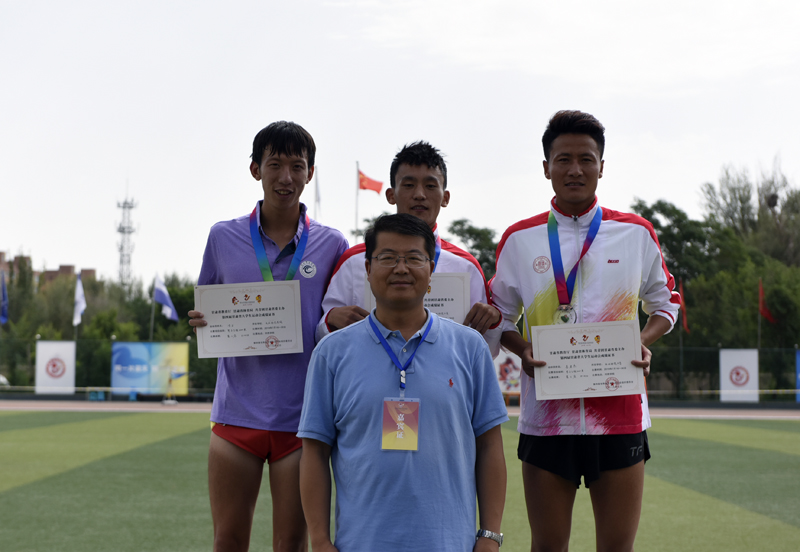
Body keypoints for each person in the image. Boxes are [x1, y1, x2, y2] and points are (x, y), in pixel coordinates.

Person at [491, 110, 680, 552]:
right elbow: (499, 316)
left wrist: (640, 341)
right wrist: (522, 349)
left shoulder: (635, 232)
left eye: (586, 159)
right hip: (546, 418)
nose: (575, 169)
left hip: (620, 414)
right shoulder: (519, 238)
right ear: (546, 168)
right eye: (563, 159)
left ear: (601, 166)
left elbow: (667, 302)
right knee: (547, 546)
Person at [298, 214, 508, 552]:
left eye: (413, 258)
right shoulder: (332, 352)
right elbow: (314, 451)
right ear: (368, 269)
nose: (400, 268)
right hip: (360, 544)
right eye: (387, 258)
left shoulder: (470, 347)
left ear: (431, 269)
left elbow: (489, 446)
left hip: (449, 544)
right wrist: (320, 541)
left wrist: (490, 535)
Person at [188, 121, 349, 552]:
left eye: (297, 166)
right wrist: (202, 320)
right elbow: (208, 304)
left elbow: (335, 318)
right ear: (255, 169)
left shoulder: (333, 244)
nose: (286, 177)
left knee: (291, 543)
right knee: (227, 541)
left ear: (310, 173)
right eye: (275, 164)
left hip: (302, 419)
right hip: (236, 415)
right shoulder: (222, 237)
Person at [315, 141, 502, 355]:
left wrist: (493, 322)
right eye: (409, 185)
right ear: (391, 194)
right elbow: (321, 338)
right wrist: (330, 321)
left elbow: (487, 350)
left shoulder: (466, 266)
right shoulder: (353, 261)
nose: (419, 194)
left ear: (445, 197)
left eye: (430, 186)